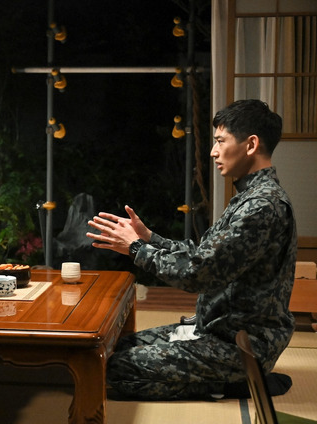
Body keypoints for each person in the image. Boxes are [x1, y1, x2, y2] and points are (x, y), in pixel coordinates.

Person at [86, 99, 297, 400]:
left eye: (220, 141)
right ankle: (229, 380)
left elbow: (197, 274)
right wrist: (149, 238)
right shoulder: (250, 197)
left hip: (241, 344)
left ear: (251, 145)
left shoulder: (261, 206)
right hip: (215, 330)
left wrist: (136, 249)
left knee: (116, 369)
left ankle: (236, 384)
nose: (213, 151)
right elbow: (203, 255)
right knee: (111, 349)